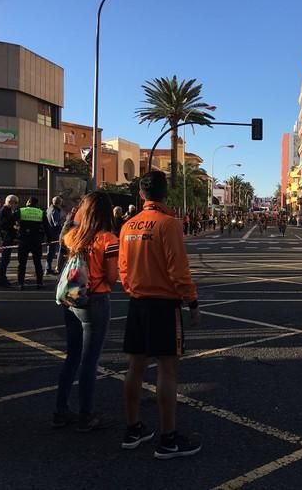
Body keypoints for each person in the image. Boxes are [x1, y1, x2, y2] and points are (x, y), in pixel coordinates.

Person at [119, 171, 201, 459]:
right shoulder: (169, 224)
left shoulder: (127, 226)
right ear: (165, 194)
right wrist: (191, 301)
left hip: (137, 302)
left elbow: (123, 268)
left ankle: (133, 428)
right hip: (164, 304)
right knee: (167, 369)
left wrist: (134, 288)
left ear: (142, 195)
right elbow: (178, 269)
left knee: (135, 366)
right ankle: (168, 439)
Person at [54, 191, 118, 432]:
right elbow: (112, 278)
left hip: (70, 298)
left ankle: (60, 410)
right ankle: (86, 414)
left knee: (72, 356)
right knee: (89, 361)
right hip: (95, 300)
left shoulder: (73, 237)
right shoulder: (108, 240)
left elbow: (65, 238)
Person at [14, 197, 51, 290]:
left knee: (22, 263)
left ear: (29, 202)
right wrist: (49, 239)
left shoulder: (21, 211)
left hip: (24, 240)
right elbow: (47, 227)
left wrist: (16, 230)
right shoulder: (40, 212)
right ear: (36, 204)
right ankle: (39, 283)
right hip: (36, 241)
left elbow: (8, 221)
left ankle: (20, 283)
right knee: (37, 263)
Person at [0, 194, 19, 288]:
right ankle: (1, 279)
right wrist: (14, 228)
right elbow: (3, 225)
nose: (16, 205)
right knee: (4, 260)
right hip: (5, 238)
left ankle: (2, 278)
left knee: (5, 260)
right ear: (11, 202)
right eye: (16, 203)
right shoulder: (5, 211)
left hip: (6, 238)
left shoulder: (7, 211)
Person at [46, 196, 65, 275]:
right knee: (53, 252)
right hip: (54, 234)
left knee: (50, 252)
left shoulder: (49, 209)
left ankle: (48, 268)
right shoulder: (55, 211)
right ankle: (49, 268)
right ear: (59, 202)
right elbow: (56, 223)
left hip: (50, 233)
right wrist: (64, 219)